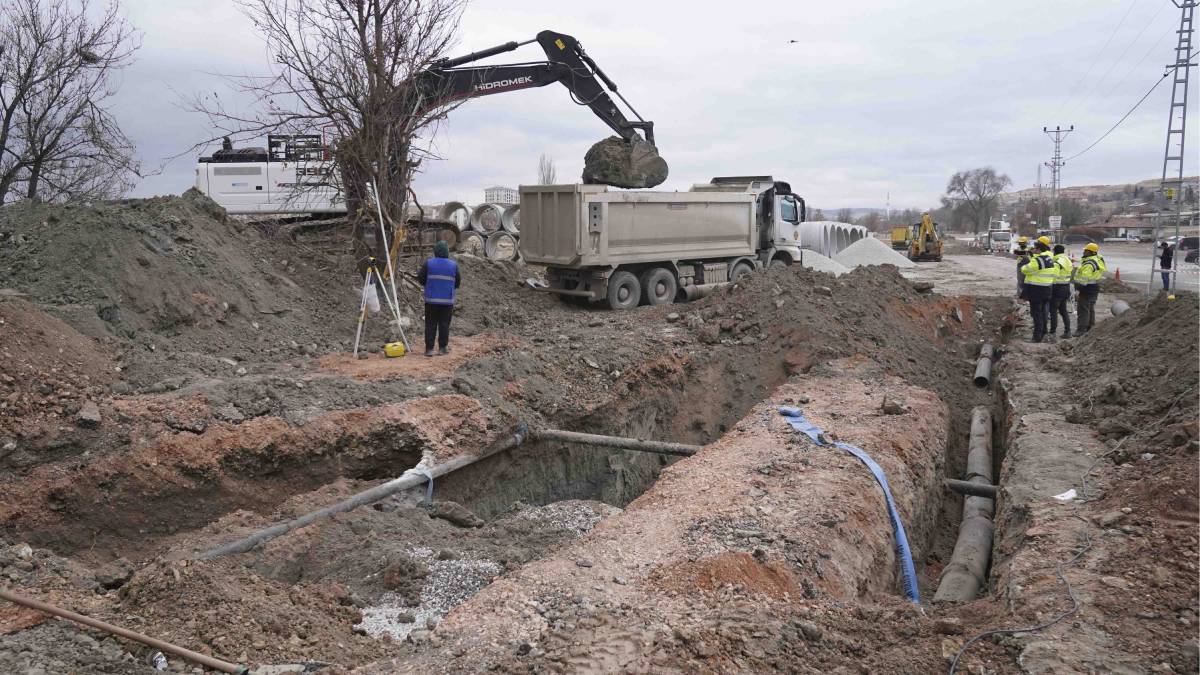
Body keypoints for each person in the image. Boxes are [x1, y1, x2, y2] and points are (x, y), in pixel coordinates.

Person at [417, 240, 460, 357]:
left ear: (435, 251)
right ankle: (442, 348)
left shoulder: (429, 263)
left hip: (431, 300)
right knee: (444, 324)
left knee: (430, 324)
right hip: (447, 301)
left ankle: (429, 349)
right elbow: (457, 283)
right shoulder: (453, 265)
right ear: (447, 251)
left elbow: (421, 279)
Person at [1020, 237, 1056, 342]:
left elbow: (1025, 269)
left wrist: (1027, 262)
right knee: (1043, 313)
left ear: (1039, 249)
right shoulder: (1049, 258)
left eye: (1035, 248)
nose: (1033, 250)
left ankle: (1037, 337)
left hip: (1037, 290)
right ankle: (1043, 332)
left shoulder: (1038, 260)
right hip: (1047, 289)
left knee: (1037, 314)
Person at [1073, 243, 1105, 335]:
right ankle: (1091, 328)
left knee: (1083, 310)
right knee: (1090, 309)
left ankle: (1081, 330)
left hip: (1086, 288)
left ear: (1091, 252)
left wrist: (1077, 288)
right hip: (1094, 287)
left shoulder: (1088, 264)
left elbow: (1084, 279)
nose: (1084, 252)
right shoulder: (1097, 260)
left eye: (1085, 251)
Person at [1049, 243, 1073, 339]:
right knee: (1063, 310)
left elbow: (1054, 276)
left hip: (1057, 288)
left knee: (1053, 310)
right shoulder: (1067, 260)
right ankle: (1068, 331)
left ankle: (1053, 332)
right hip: (1066, 287)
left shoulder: (1057, 261)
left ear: (1055, 251)